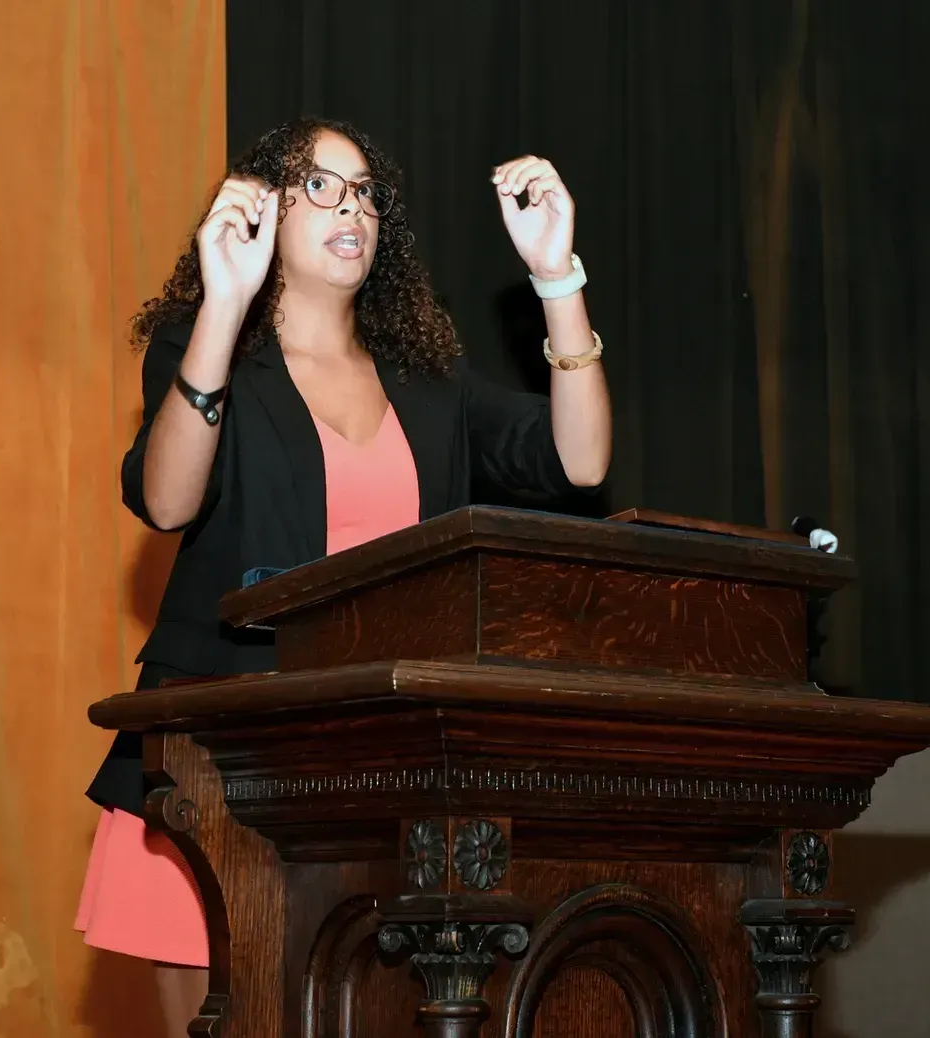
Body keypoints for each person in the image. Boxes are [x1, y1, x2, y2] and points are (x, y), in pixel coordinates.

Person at [72, 117, 611, 1034]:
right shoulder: (210, 352)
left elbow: (581, 462)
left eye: (363, 191)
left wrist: (558, 278)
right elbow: (164, 501)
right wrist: (220, 306)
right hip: (218, 770)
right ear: (261, 212)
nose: (350, 204)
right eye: (319, 186)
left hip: (376, 776)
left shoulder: (428, 379)